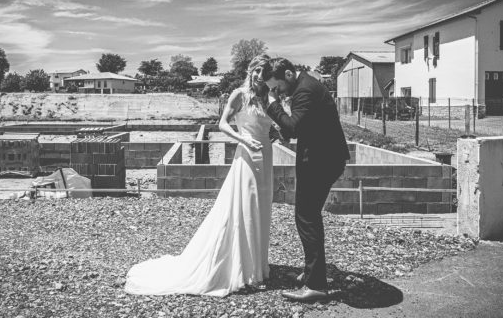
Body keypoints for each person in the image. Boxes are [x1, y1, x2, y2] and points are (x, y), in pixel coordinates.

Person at [125, 55, 274, 297]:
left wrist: (275, 132)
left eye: (264, 72)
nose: (259, 76)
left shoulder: (269, 97)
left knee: (262, 209)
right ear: (250, 71)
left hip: (266, 155)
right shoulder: (239, 94)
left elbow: (269, 124)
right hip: (247, 154)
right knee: (246, 208)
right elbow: (223, 123)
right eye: (257, 71)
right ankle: (245, 270)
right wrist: (243, 139)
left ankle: (258, 265)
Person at [261, 57, 350, 302]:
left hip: (321, 163)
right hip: (323, 160)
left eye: (276, 86)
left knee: (307, 219)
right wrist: (281, 130)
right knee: (308, 217)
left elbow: (294, 126)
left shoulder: (305, 91)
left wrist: (272, 106)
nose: (276, 92)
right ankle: (312, 274)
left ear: (288, 74)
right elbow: (294, 128)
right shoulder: (305, 86)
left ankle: (316, 286)